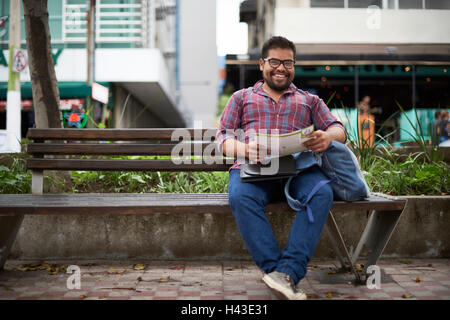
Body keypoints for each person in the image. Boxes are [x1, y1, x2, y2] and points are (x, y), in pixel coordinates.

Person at [216, 36, 346, 300]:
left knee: (321, 192)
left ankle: (283, 275)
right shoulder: (241, 98)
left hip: (298, 170)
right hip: (254, 169)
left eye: (288, 62)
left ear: (294, 66)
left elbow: (339, 129)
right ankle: (282, 273)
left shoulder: (310, 100)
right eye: (275, 61)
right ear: (262, 64)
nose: (281, 68)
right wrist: (244, 149)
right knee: (240, 197)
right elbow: (222, 139)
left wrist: (326, 137)